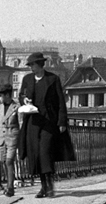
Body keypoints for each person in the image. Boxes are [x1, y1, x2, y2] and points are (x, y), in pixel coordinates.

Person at [18, 52, 75, 198]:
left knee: (45, 152)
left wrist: (62, 121)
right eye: (30, 65)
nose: (31, 67)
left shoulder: (52, 79)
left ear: (40, 64)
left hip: (49, 122)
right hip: (32, 122)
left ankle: (49, 186)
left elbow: (61, 101)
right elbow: (21, 95)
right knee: (36, 154)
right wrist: (24, 100)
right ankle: (43, 187)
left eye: (33, 65)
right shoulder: (27, 79)